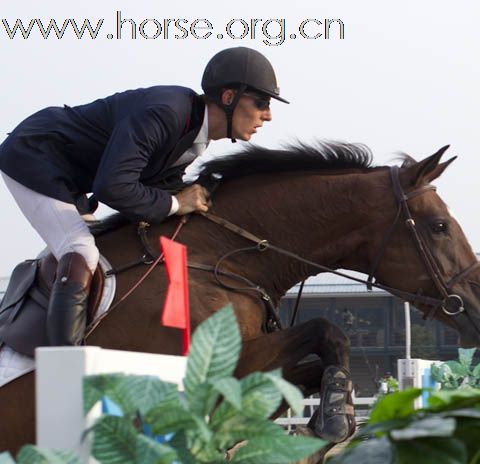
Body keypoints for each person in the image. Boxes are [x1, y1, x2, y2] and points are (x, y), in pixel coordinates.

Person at [0, 46, 286, 346]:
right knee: (80, 250)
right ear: (229, 97)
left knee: (105, 249)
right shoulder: (167, 113)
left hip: (69, 175)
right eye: (262, 102)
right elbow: (113, 187)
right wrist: (177, 203)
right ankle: (62, 364)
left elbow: (155, 185)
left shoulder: (193, 133)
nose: (266, 115)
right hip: (34, 157)